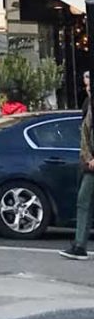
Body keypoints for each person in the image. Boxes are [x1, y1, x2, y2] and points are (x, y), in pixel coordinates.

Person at [64, 71, 94, 260]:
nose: (87, 88)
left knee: (84, 201)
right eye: (86, 85)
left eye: (89, 84)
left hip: (90, 162)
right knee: (84, 202)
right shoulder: (87, 105)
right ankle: (79, 244)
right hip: (87, 161)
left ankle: (80, 245)